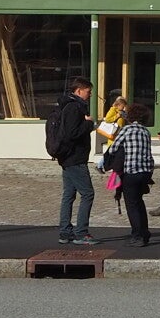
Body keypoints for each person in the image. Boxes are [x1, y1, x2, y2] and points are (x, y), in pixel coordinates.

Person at [51, 76, 96, 244]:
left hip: (68, 157)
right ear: (78, 91)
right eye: (88, 92)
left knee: (69, 194)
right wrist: (89, 124)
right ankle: (81, 232)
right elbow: (72, 133)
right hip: (75, 157)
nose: (90, 95)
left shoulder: (69, 106)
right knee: (87, 193)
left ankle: (65, 231)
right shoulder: (73, 108)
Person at [107, 103, 156, 246]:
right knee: (139, 202)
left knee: (132, 204)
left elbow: (113, 148)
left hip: (131, 171)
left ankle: (137, 235)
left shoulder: (127, 130)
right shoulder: (146, 131)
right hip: (145, 171)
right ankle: (144, 232)